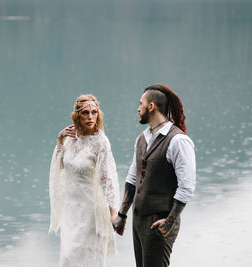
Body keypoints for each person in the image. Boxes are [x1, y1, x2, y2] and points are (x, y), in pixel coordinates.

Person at [113, 84, 196, 267]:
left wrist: (169, 222)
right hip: (138, 219)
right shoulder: (142, 138)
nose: (138, 108)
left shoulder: (178, 141)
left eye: (140, 103)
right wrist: (122, 214)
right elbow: (133, 178)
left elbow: (187, 186)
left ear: (151, 106)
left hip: (160, 222)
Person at [49, 94, 120, 267]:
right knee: (68, 257)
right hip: (71, 209)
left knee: (88, 258)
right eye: (85, 113)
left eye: (94, 112)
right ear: (77, 116)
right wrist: (59, 141)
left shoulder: (101, 143)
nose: (90, 117)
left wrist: (113, 213)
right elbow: (59, 167)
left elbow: (107, 178)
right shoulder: (70, 140)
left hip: (91, 210)